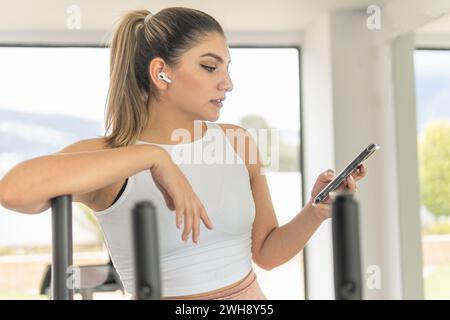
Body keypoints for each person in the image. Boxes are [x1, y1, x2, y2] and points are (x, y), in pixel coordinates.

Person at [0, 7, 367, 300]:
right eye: (209, 67)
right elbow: (15, 190)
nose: (227, 83)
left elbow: (267, 254)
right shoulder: (108, 157)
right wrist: (154, 158)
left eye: (227, 68)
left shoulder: (237, 143)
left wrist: (315, 212)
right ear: (161, 73)